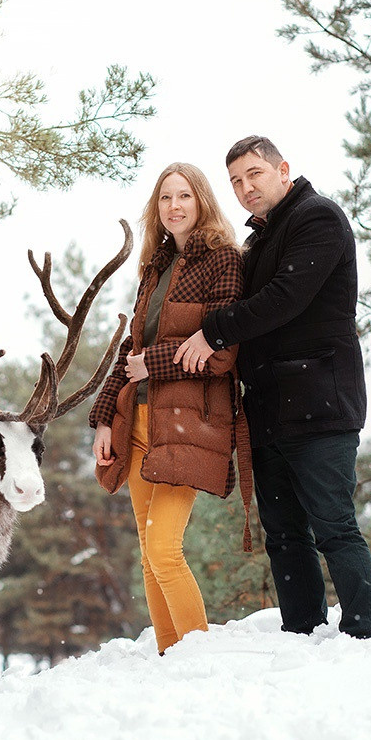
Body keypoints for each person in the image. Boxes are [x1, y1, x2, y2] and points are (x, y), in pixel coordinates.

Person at [177, 135, 371, 638]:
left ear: (283, 169)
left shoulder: (317, 217)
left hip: (320, 402)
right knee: (284, 535)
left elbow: (286, 296)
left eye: (255, 175)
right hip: (268, 409)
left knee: (334, 526)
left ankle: (365, 634)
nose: (245, 188)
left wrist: (214, 331)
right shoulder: (258, 241)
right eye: (235, 182)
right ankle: (302, 632)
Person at [89, 162, 253, 656]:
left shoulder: (224, 261)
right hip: (138, 422)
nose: (174, 206)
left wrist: (152, 365)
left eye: (184, 196)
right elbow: (130, 351)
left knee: (164, 548)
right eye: (165, 198)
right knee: (147, 549)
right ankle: (168, 656)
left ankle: (196, 658)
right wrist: (101, 418)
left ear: (201, 201)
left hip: (189, 424)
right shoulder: (154, 267)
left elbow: (223, 352)